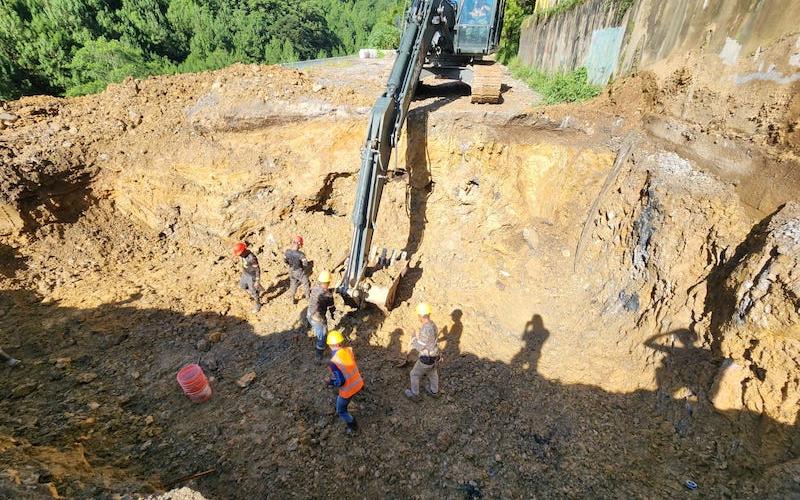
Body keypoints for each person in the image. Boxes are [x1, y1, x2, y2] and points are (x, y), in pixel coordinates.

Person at [324, 330, 363, 434]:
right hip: (358, 383)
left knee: (341, 410)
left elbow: (340, 381)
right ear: (340, 342)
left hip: (348, 390)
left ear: (329, 345)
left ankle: (353, 426)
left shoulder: (334, 362)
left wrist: (329, 382)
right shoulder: (348, 351)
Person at [404, 302, 440, 400]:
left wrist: (413, 337)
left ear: (420, 315)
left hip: (426, 358)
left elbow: (419, 347)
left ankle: (415, 394)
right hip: (434, 356)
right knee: (432, 373)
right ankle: (434, 391)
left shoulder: (425, 329)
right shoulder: (433, 324)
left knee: (414, 374)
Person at [307, 270, 336, 362]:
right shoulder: (327, 295)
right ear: (328, 282)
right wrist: (333, 315)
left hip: (310, 313)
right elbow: (331, 307)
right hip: (318, 318)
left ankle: (322, 342)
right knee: (322, 336)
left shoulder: (315, 288)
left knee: (322, 329)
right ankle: (319, 357)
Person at [233, 242, 263, 312]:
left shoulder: (252, 258)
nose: (239, 255)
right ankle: (255, 291)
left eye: (240, 254)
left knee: (253, 291)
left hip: (252, 276)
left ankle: (258, 304)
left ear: (244, 251)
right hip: (245, 274)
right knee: (242, 286)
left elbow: (257, 269)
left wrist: (257, 281)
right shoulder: (243, 255)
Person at [284, 235, 310, 303]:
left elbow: (285, 261)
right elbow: (305, 264)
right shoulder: (301, 254)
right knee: (306, 282)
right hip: (298, 270)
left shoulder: (287, 252)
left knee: (293, 283)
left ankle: (292, 298)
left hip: (291, 270)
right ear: (299, 244)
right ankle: (308, 298)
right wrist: (304, 269)